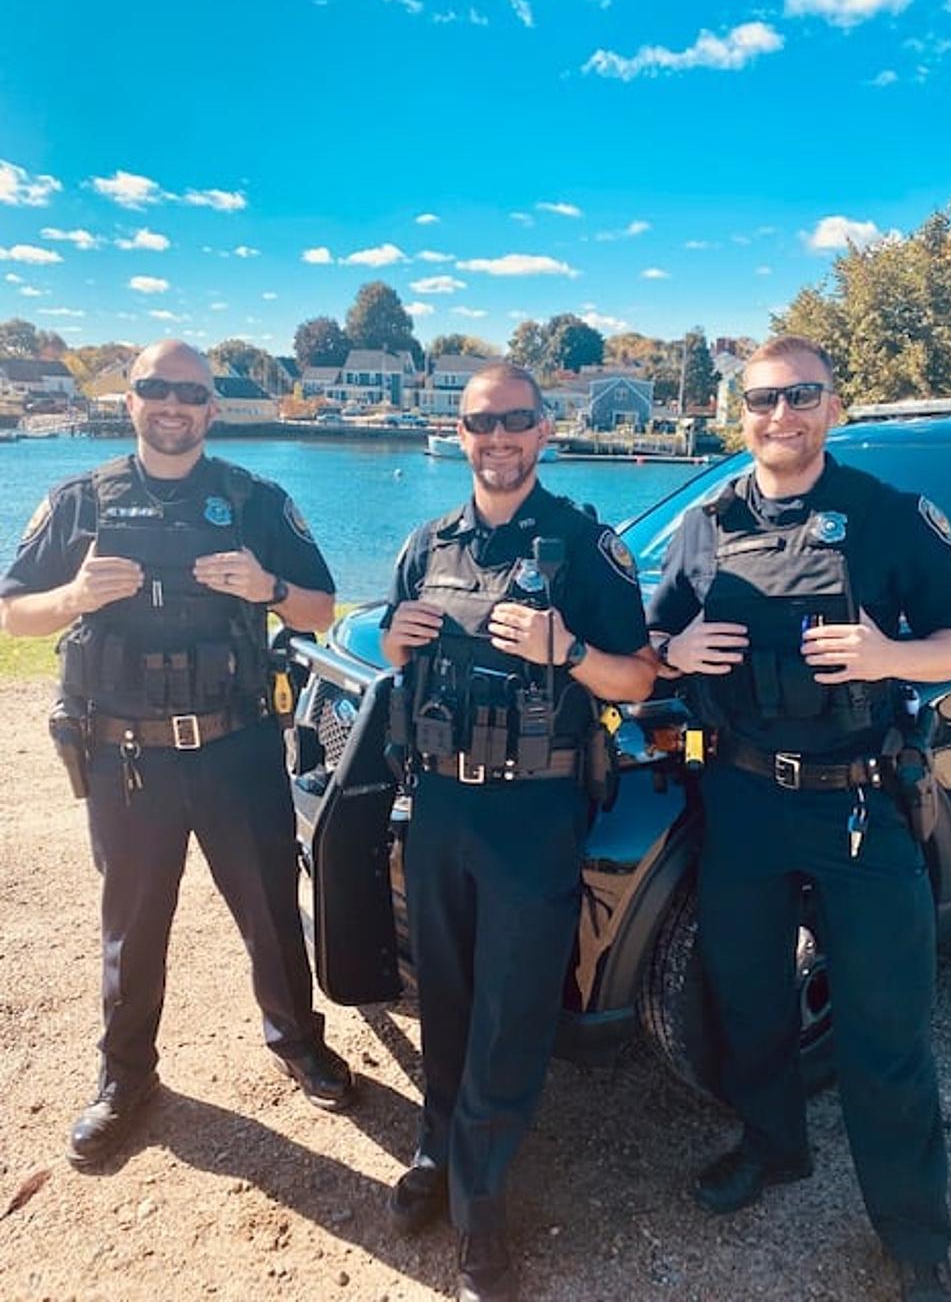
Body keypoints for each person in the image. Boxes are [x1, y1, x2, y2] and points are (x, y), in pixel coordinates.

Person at [646, 334, 951, 1302]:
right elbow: (653, 636)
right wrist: (675, 645)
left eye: (799, 396)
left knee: (885, 1028)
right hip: (741, 799)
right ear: (738, 411)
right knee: (749, 1002)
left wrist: (888, 657)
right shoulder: (704, 525)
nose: (778, 415)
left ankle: (915, 1233)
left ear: (829, 404)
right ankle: (770, 1146)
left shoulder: (884, 517)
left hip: (858, 805)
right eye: (760, 399)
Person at [0, 340, 356, 1169]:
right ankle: (125, 1077)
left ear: (211, 407)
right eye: (155, 389)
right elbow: (14, 612)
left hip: (235, 747)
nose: (173, 405)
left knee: (269, 909)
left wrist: (265, 588)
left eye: (189, 393)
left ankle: (297, 1042)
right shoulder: (80, 502)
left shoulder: (256, 501)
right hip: (127, 759)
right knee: (132, 926)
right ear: (129, 399)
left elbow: (320, 608)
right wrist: (76, 597)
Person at [381, 361, 657, 1302]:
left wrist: (566, 649)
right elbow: (390, 648)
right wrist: (397, 639)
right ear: (458, 434)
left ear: (545, 430)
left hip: (535, 814)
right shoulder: (427, 543)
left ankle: (484, 1209)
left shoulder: (584, 544)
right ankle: (437, 1150)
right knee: (446, 991)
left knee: (511, 1008)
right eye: (479, 422)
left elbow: (640, 677)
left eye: (515, 421)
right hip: (443, 808)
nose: (496, 437)